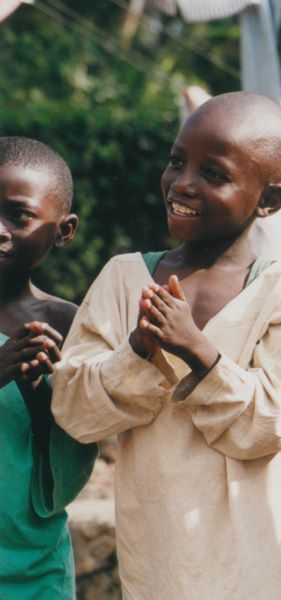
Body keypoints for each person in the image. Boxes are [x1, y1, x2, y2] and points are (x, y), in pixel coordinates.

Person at [50, 92, 281, 599]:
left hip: (256, 572)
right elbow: (75, 410)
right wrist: (137, 349)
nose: (183, 183)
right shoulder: (124, 280)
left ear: (269, 201)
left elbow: (271, 425)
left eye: (215, 174)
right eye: (177, 162)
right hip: (159, 565)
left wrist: (197, 351)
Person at [0, 136, 97, 599]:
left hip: (33, 561)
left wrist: (39, 392)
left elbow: (67, 458)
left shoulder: (68, 324)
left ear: (64, 230)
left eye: (17, 215)